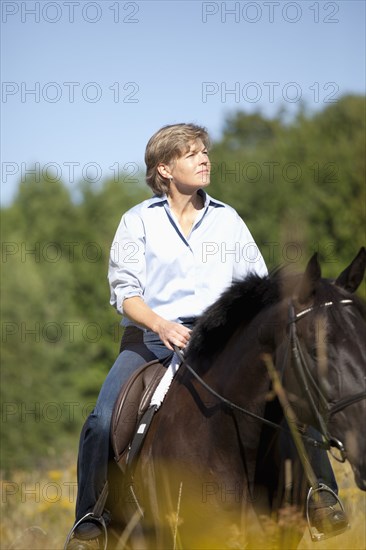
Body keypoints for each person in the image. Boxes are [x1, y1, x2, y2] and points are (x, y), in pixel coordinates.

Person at [65, 123, 347, 549]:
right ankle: (92, 519)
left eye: (204, 152)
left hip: (222, 336)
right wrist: (160, 324)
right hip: (151, 340)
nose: (204, 159)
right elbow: (126, 295)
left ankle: (320, 494)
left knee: (291, 392)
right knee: (102, 420)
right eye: (192, 153)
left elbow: (255, 285)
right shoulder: (137, 221)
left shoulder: (227, 220)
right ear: (164, 167)